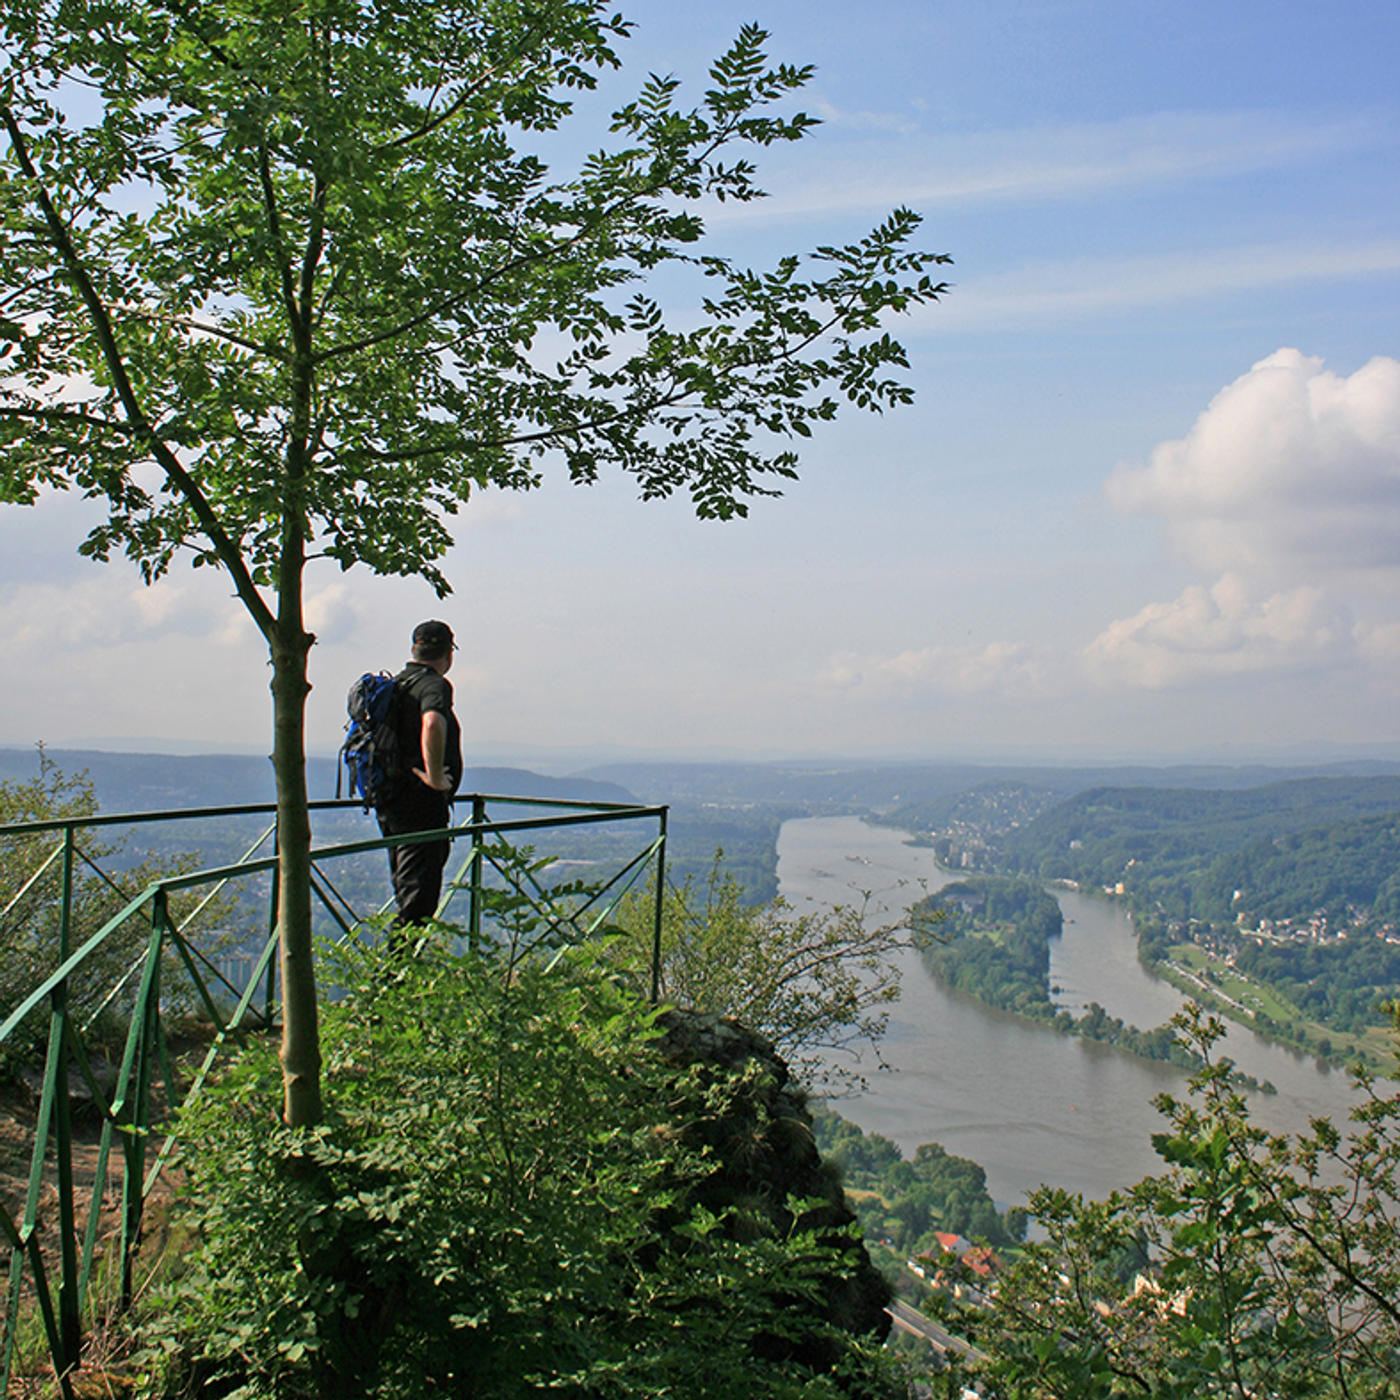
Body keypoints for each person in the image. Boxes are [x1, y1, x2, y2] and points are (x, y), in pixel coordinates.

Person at [377, 619, 463, 929]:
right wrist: (436, 776)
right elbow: (432, 723)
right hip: (420, 806)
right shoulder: (433, 684)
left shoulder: (399, 683)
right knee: (419, 902)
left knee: (406, 890)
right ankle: (395, 974)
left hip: (391, 802)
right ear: (448, 654)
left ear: (414, 648)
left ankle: (396, 970)